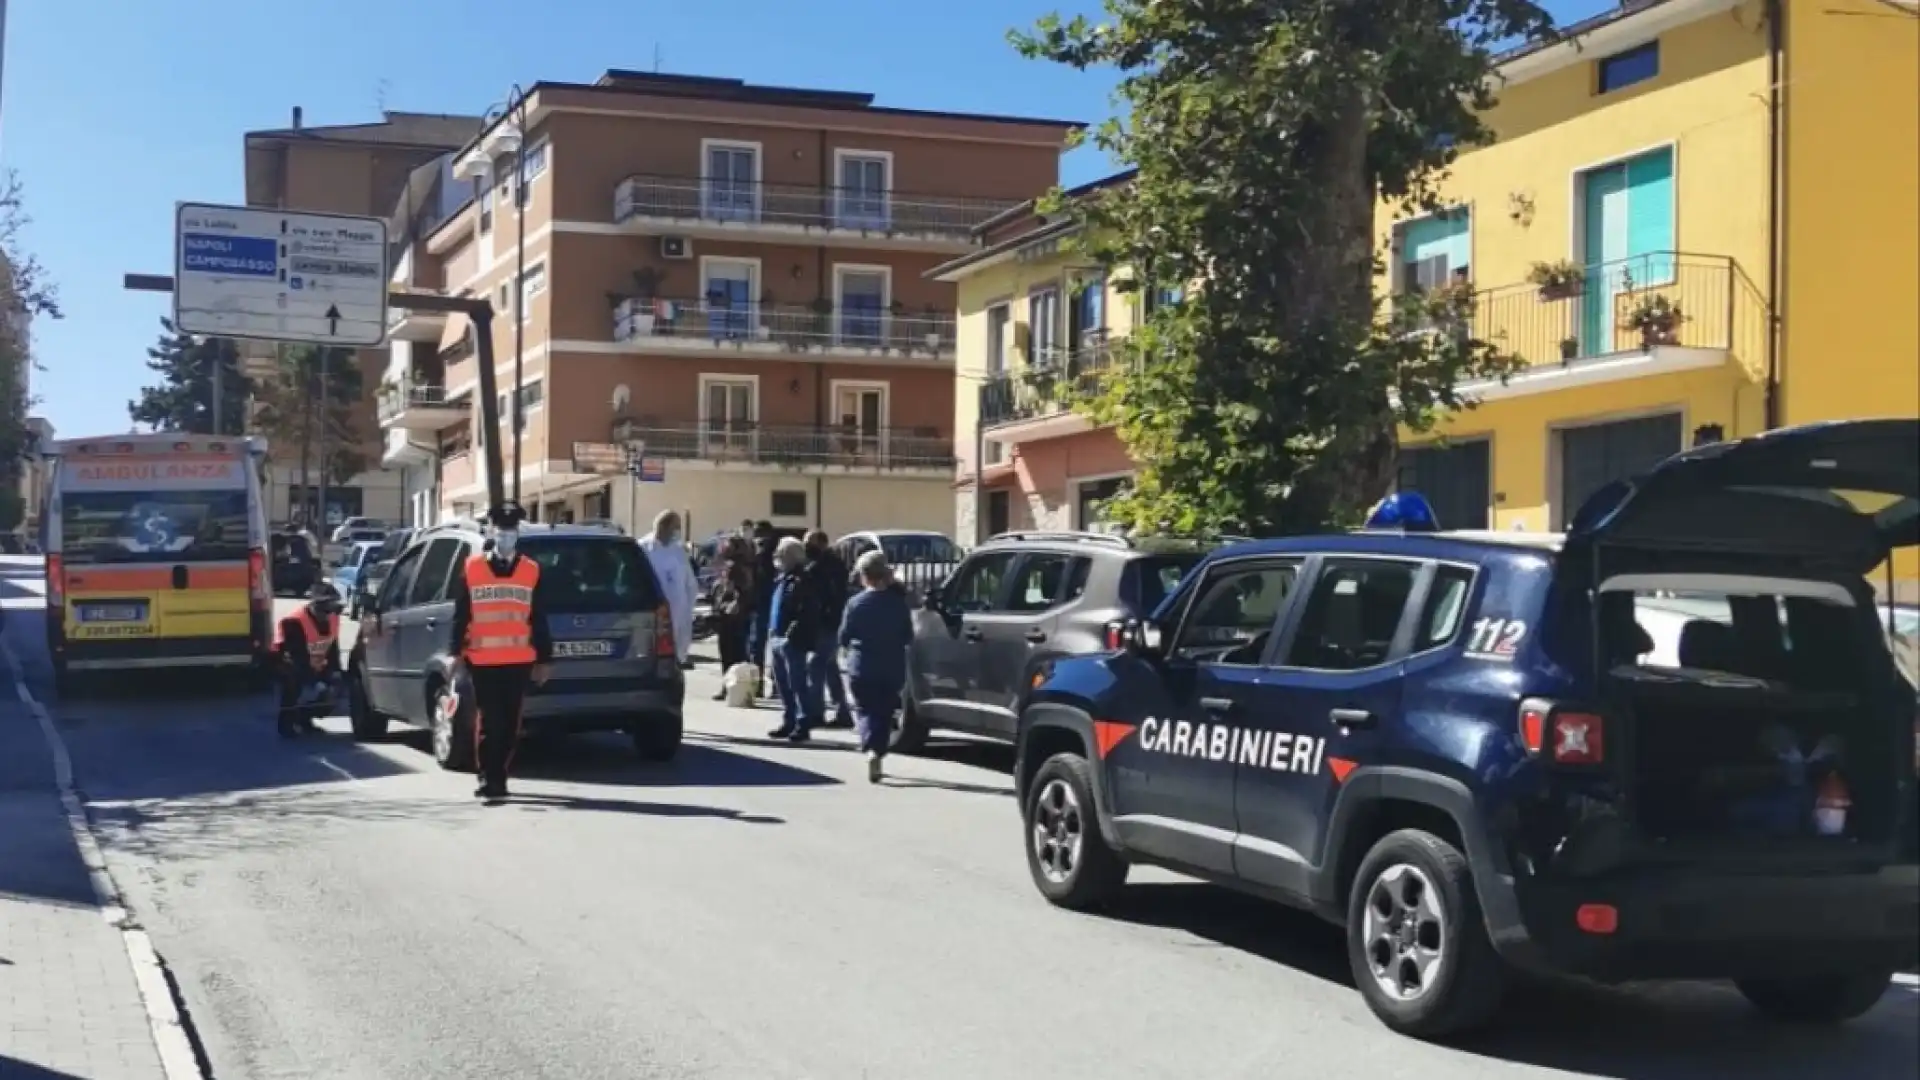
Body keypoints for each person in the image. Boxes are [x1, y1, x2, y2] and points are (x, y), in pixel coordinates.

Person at [449, 506, 553, 802]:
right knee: (490, 721)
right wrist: (454, 652)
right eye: (501, 529)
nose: (506, 535)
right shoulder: (472, 568)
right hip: (482, 660)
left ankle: (500, 775)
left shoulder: (531, 570)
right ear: (491, 532)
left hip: (519, 660)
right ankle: (489, 778)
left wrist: (545, 659)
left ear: (518, 533)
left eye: (511, 530)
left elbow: (539, 617)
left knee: (509, 725)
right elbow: (461, 614)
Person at [839, 551, 915, 783]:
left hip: (862, 665)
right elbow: (908, 636)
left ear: (864, 576)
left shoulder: (855, 603)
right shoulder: (898, 604)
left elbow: (844, 635)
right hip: (891, 666)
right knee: (884, 712)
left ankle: (870, 746)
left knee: (864, 709)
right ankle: (878, 750)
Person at [766, 536, 823, 742]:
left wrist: (790, 635)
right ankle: (789, 720)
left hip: (791, 641)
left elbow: (806, 612)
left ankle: (802, 723)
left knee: (797, 684)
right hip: (776, 636)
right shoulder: (783, 579)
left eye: (782, 555)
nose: (778, 558)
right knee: (783, 683)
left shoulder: (802, 580)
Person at [273, 582, 345, 736]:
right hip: (291, 665)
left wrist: (335, 671)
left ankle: (304, 718)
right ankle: (287, 723)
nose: (328, 614)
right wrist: (315, 682)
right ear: (315, 606)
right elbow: (297, 657)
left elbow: (333, 648)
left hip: (315, 666)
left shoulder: (333, 618)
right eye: (325, 608)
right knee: (293, 681)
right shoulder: (293, 622)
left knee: (333, 691)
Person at [802, 529, 855, 728]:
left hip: (827, 622)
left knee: (816, 666)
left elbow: (825, 596)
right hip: (829, 622)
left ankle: (817, 712)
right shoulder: (830, 565)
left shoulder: (825, 567)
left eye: (810, 543)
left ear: (822, 544)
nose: (807, 547)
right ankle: (842, 712)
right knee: (829, 668)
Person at [638, 510, 698, 669]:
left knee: (676, 659)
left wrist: (688, 608)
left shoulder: (679, 551)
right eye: (675, 527)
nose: (677, 531)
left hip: (678, 613)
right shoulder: (643, 548)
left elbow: (690, 584)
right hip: (652, 614)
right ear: (663, 527)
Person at [710, 535, 758, 702]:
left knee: (729, 654)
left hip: (731, 618)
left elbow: (735, 592)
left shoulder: (735, 568)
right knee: (737, 654)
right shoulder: (743, 567)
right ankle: (737, 688)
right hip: (737, 617)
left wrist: (727, 605)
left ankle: (730, 687)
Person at [747, 521, 780, 698]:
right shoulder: (758, 554)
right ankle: (760, 685)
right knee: (759, 648)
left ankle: (771, 685)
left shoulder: (772, 554)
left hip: (769, 605)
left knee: (766, 647)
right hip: (763, 605)